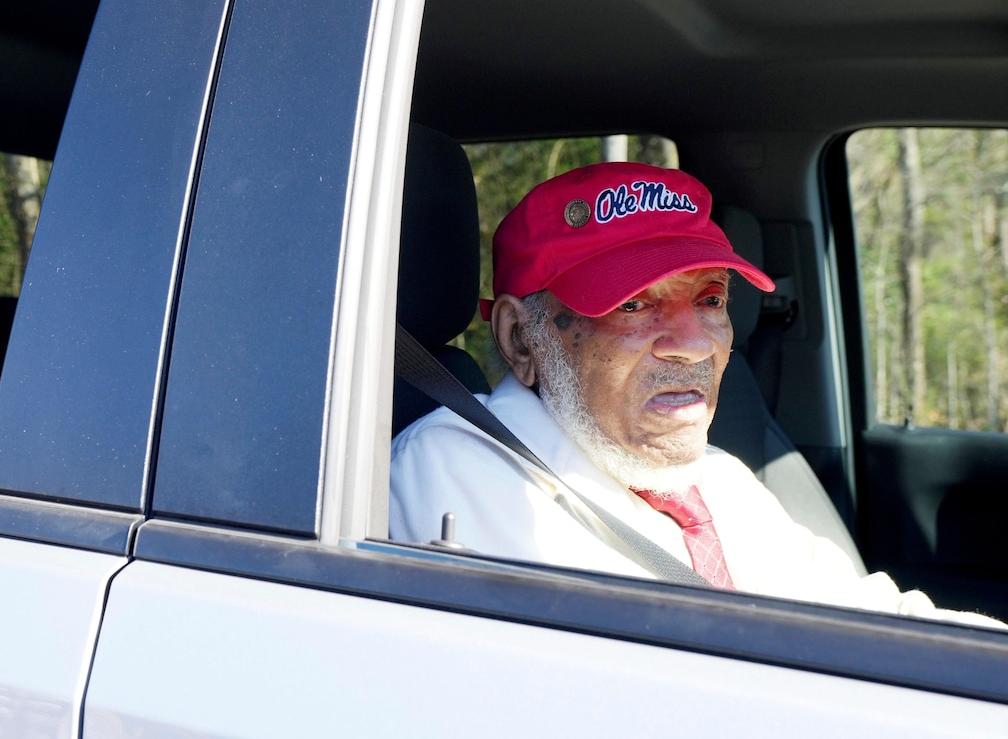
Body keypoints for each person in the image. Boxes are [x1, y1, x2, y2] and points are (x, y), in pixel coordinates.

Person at [390, 162, 998, 626]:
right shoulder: (459, 479)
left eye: (709, 300)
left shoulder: (720, 481)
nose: (694, 344)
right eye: (632, 303)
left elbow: (870, 618)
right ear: (522, 341)